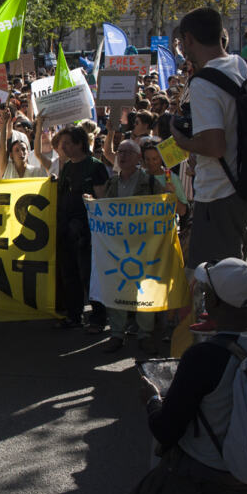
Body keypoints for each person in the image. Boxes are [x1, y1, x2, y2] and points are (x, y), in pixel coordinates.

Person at [122, 258, 247, 494]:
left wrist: (153, 400)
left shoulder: (203, 356)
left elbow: (166, 430)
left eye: (206, 293)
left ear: (213, 302)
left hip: (213, 478)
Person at [172, 8, 247, 332]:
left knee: (213, 275)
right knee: (233, 269)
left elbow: (214, 145)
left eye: (181, 43)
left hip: (221, 192)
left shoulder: (205, 81)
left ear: (189, 40)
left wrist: (184, 141)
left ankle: (225, 347)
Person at [99, 139, 166, 354]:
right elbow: (104, 210)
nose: (122, 155)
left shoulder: (151, 183)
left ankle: (145, 334)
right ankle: (117, 333)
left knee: (144, 289)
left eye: (128, 152)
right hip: (117, 246)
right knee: (116, 287)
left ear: (139, 158)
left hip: (143, 247)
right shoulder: (111, 184)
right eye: (120, 151)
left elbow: (165, 207)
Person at [57, 125, 109, 331]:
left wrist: (92, 200)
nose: (63, 147)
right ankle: (74, 315)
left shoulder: (95, 167)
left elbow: (103, 200)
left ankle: (98, 318)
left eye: (68, 143)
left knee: (89, 275)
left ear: (80, 144)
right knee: (69, 273)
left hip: (87, 231)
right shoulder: (68, 167)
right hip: (66, 229)